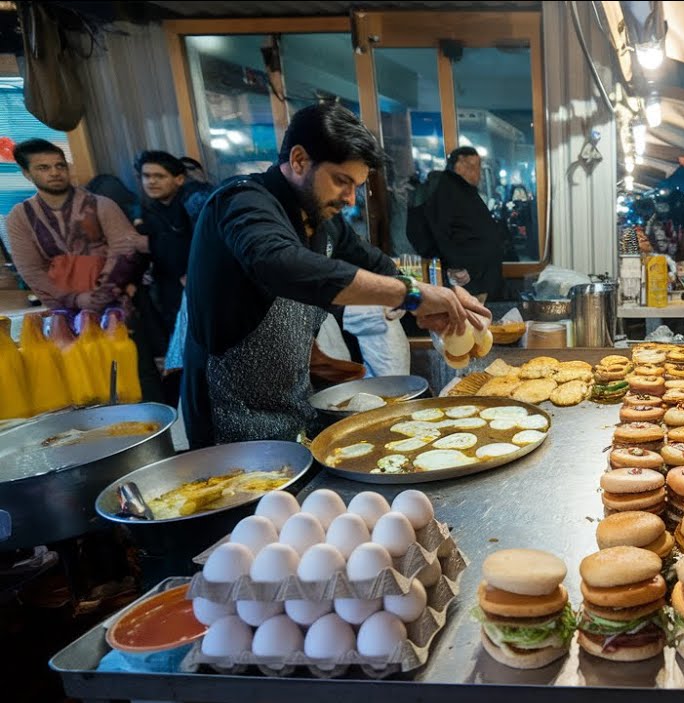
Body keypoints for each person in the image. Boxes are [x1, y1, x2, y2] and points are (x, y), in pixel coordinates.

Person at [182, 103, 489, 448]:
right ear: (299, 160)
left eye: (357, 185)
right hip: (228, 423)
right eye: (342, 181)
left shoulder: (324, 223)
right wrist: (410, 295)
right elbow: (283, 264)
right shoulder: (242, 202)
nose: (350, 198)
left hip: (293, 413)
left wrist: (439, 295)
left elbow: (379, 265)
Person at [5, 139, 148, 313]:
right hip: (63, 306)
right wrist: (74, 299)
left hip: (113, 302)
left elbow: (124, 250)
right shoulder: (20, 216)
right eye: (43, 168)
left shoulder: (101, 204)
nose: (55, 172)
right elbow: (30, 269)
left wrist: (101, 295)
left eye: (60, 166)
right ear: (26, 173)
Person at [406, 146, 506, 301]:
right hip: (464, 281)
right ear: (458, 166)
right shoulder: (444, 190)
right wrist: (455, 265)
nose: (477, 172)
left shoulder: (464, 190)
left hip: (480, 278)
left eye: (478, 166)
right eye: (471, 166)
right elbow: (438, 232)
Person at [133, 151, 193, 349]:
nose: (151, 182)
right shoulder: (149, 211)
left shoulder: (192, 205)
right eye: (146, 176)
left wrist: (150, 244)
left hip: (193, 289)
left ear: (179, 179)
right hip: (167, 292)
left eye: (159, 176)